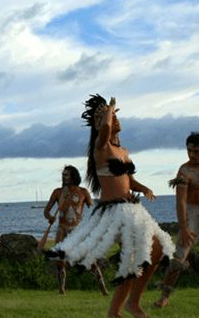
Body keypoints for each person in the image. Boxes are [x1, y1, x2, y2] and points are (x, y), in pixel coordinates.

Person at [47, 95, 175, 318]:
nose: (112, 117)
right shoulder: (101, 146)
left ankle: (119, 309)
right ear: (98, 124)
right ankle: (127, 306)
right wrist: (110, 108)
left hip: (130, 208)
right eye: (105, 115)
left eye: (113, 113)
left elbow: (128, 180)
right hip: (113, 212)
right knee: (136, 256)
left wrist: (144, 188)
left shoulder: (123, 151)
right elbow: (105, 127)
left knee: (155, 251)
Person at [43, 165, 109, 296]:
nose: (63, 177)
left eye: (66, 175)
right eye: (63, 174)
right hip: (61, 229)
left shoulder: (83, 192)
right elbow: (46, 210)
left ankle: (104, 290)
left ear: (73, 176)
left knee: (90, 261)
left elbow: (92, 210)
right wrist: (50, 217)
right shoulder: (57, 192)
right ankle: (61, 291)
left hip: (78, 230)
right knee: (60, 262)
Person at [154, 132, 199, 308]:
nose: (192, 155)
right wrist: (184, 228)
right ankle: (164, 296)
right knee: (179, 256)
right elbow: (180, 202)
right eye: (189, 151)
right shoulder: (184, 171)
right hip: (192, 213)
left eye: (196, 151)